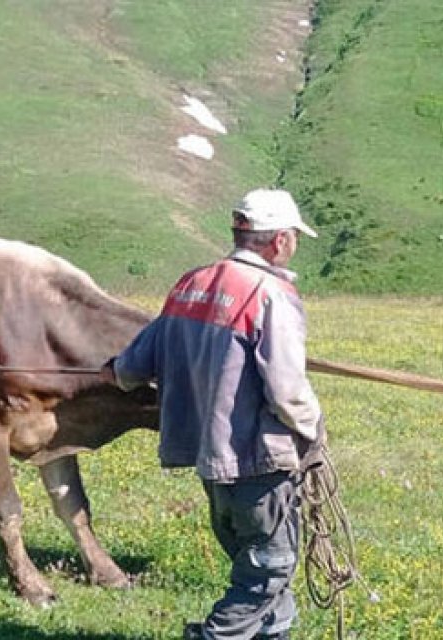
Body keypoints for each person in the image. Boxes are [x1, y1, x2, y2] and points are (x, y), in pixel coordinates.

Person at [102, 188, 323, 640]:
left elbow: (130, 370)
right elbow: (286, 389)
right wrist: (313, 431)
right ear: (279, 241)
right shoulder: (269, 295)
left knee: (257, 568)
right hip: (257, 461)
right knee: (267, 571)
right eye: (294, 237)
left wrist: (114, 371)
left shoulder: (190, 284)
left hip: (210, 461)